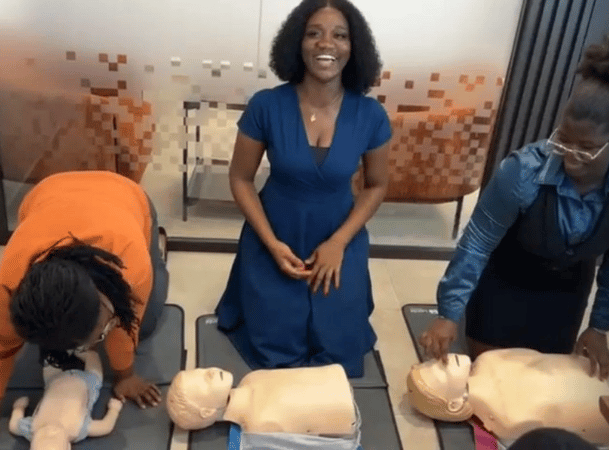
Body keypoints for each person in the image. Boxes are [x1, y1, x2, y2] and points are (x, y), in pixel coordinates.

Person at [214, 0, 391, 378]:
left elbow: (377, 185)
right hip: (276, 233)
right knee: (277, 349)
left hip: (339, 233)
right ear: (297, 42)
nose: (326, 44)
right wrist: (270, 243)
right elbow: (240, 178)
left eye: (340, 35)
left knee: (339, 350)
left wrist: (339, 243)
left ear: (354, 47)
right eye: (314, 33)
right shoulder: (266, 105)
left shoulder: (371, 115)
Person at [419, 35, 609, 375]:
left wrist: (599, 325)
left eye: (586, 148)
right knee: (493, 376)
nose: (570, 156)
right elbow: (476, 244)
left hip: (566, 293)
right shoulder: (522, 171)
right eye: (563, 140)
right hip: (506, 285)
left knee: (544, 382)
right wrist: (448, 314)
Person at [0, 170, 169, 409]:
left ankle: (157, 254)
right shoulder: (8, 286)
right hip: (47, 192)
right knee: (44, 328)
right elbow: (1, 347)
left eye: (100, 333)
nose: (92, 345)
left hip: (124, 193)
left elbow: (126, 328)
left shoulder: (131, 264)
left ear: (104, 301)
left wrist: (125, 375)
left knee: (146, 323)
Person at [407, 349, 609, 446]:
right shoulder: (507, 418)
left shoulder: (488, 358)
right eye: (439, 370)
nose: (442, 359)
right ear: (454, 405)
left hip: (599, 367)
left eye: (433, 362)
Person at [166, 364, 359, 448]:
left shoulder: (251, 378)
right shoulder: (258, 425)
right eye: (204, 381)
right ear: (207, 411)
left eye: (200, 371)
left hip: (338, 379)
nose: (208, 371)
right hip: (346, 412)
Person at [8, 349, 123, 448]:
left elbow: (13, 426)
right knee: (94, 365)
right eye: (54, 436)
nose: (50, 430)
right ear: (68, 447)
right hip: (86, 383)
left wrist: (19, 408)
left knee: (49, 360)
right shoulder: (79, 430)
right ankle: (85, 352)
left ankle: (57, 348)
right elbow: (106, 427)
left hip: (55, 380)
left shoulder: (31, 428)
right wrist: (114, 410)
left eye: (42, 436)